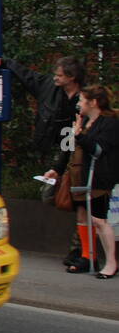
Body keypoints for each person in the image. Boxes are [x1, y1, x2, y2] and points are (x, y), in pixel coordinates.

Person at [0, 53, 84, 262]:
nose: (55, 78)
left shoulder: (83, 100)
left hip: (75, 152)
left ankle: (78, 249)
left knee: (79, 201)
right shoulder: (49, 88)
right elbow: (27, 76)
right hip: (54, 148)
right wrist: (5, 62)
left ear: (71, 77)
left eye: (60, 75)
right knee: (50, 194)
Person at [45, 86, 118, 277]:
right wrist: (57, 169)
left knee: (99, 220)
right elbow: (68, 148)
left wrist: (79, 135)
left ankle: (111, 262)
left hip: (99, 178)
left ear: (93, 102)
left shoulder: (109, 123)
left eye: (82, 100)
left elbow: (99, 150)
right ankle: (88, 256)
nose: (78, 104)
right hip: (80, 176)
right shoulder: (84, 121)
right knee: (83, 217)